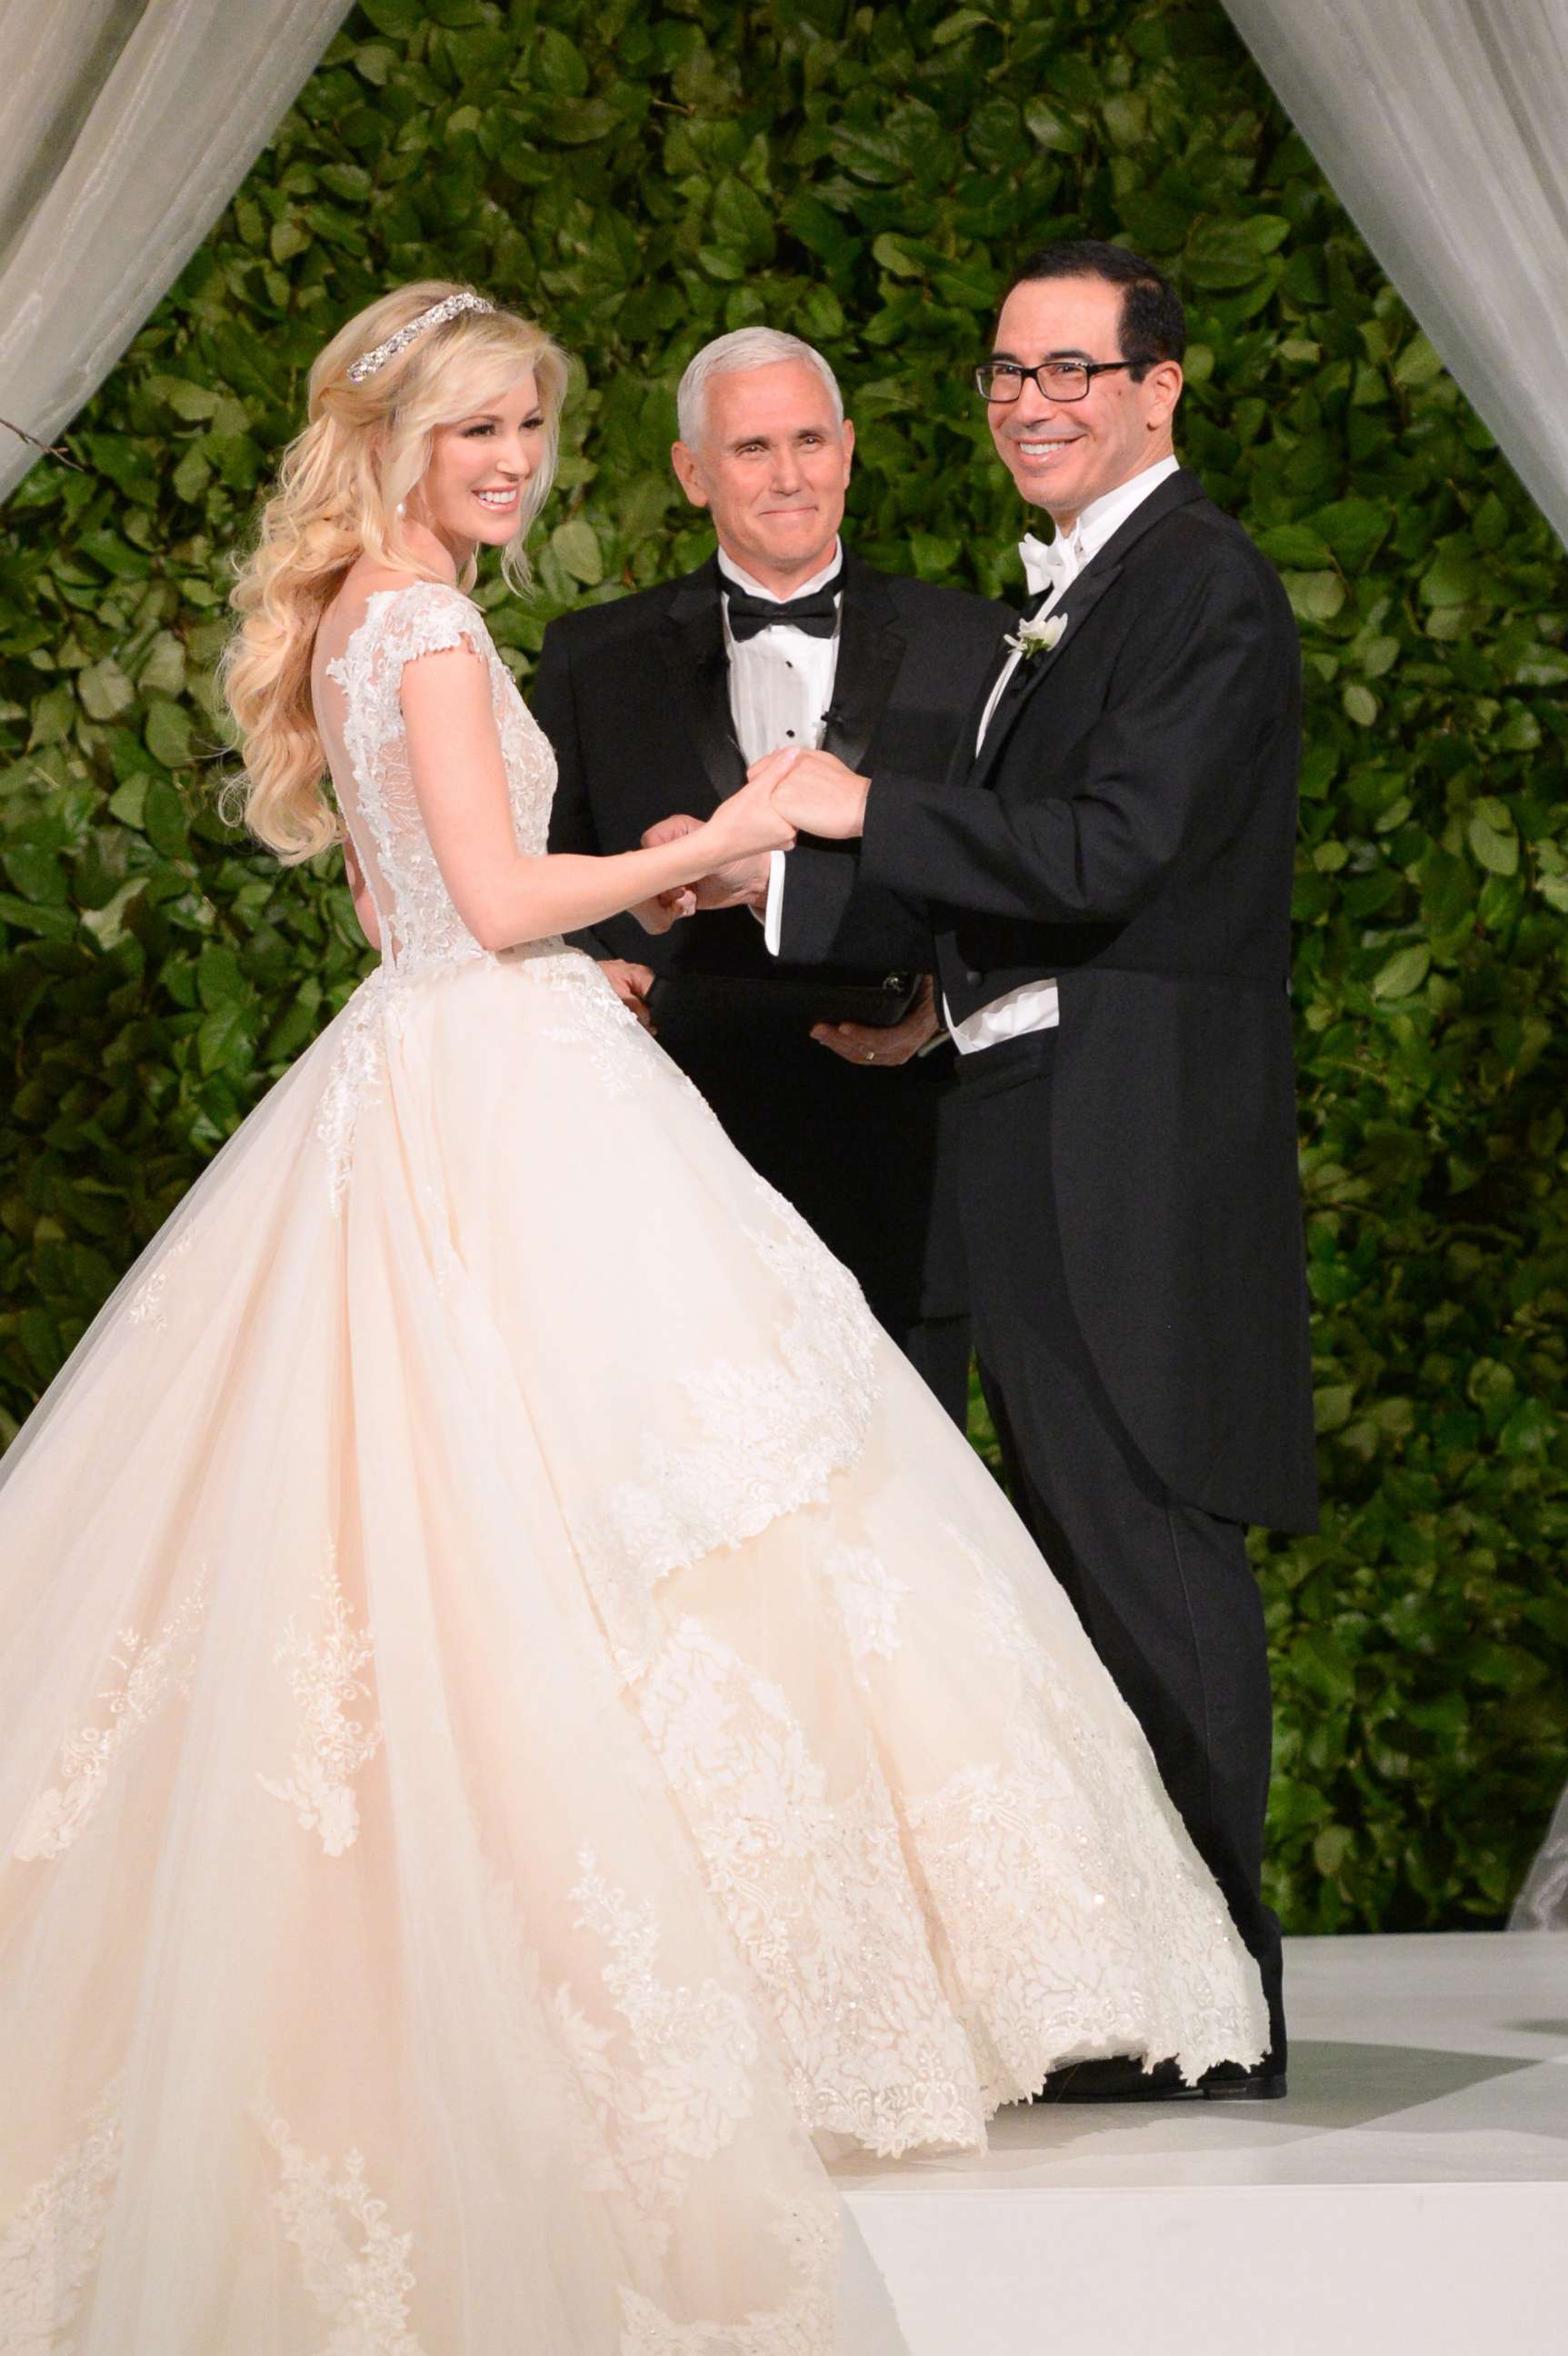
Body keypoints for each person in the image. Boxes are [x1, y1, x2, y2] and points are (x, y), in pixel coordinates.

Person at [0, 281, 1267, 2351]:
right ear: (394, 440)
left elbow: (417, 913)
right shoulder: (420, 626)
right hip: (502, 1100)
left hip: (453, 1062)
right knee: (672, 1514)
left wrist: (616, 900)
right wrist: (733, 834)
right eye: (476, 431)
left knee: (508, 1525)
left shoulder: (371, 618)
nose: (512, 463)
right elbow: (491, 902)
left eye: (528, 428)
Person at [759, 241, 1318, 2100]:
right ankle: (1144, 1986)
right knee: (1071, 1556)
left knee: (1148, 1535)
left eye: (1071, 370)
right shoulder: (1084, 585)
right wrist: (935, 1004)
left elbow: (1116, 850)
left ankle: (1218, 2006)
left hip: (1130, 1134)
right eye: (1008, 373)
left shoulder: (1203, 583)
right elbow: (1069, 887)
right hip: (1030, 1111)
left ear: (1162, 385)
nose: (1031, 403)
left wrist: (860, 805)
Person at [534, 328, 1005, 1427]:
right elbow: (540, 873)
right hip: (676, 1146)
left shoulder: (977, 644)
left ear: (849, 449)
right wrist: (584, 971)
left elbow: (1017, 867)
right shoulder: (592, 656)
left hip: (905, 1143)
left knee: (916, 1479)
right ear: (692, 473)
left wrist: (947, 1003)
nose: (789, 474)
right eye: (752, 448)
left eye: (809, 441)